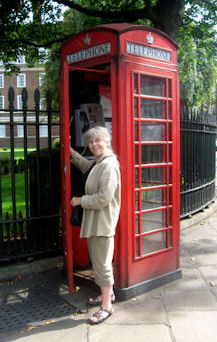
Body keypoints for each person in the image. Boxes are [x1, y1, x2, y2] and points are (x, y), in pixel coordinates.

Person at [70, 126, 121, 325]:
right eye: (91, 142)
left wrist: (79, 200)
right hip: (95, 222)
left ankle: (107, 307)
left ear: (107, 141)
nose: (93, 145)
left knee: (102, 265)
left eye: (97, 140)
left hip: (102, 222)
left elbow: (103, 198)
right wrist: (69, 151)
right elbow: (85, 166)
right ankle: (108, 295)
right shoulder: (99, 162)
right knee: (100, 263)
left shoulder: (108, 165)